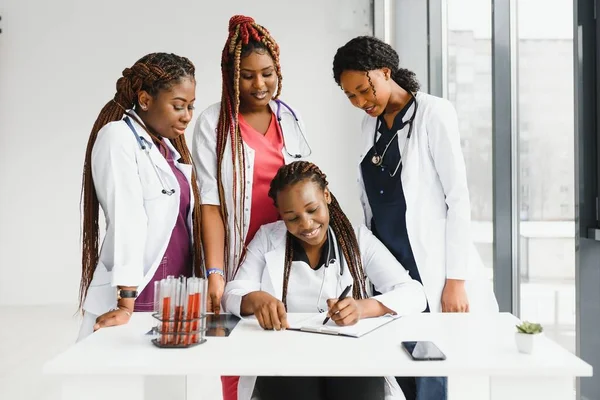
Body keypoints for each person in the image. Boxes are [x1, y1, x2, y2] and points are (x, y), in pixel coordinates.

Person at [332, 36, 498, 400]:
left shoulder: (433, 114)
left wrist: (455, 279)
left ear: (386, 71)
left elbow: (458, 199)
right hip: (388, 260)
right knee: (394, 357)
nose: (361, 102)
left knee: (429, 362)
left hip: (428, 261)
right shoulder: (369, 126)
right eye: (351, 97)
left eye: (364, 89)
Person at [223, 161, 427, 400]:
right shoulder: (268, 238)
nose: (306, 224)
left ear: (327, 196)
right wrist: (255, 299)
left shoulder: (357, 239)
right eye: (292, 218)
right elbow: (232, 293)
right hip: (287, 359)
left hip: (349, 359)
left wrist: (363, 308)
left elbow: (414, 293)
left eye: (312, 210)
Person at [192, 15, 310, 400]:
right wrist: (215, 271)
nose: (259, 85)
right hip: (235, 251)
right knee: (233, 352)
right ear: (231, 76)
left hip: (283, 250)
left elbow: (308, 185)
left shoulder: (290, 119)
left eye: (267, 73)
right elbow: (210, 204)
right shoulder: (214, 123)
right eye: (247, 75)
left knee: (284, 340)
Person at [78, 53, 202, 340]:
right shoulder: (117, 136)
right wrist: (125, 302)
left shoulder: (167, 149)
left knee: (171, 382)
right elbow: (126, 216)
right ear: (145, 100)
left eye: (191, 106)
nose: (187, 116)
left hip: (174, 289)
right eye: (178, 106)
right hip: (139, 291)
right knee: (124, 379)